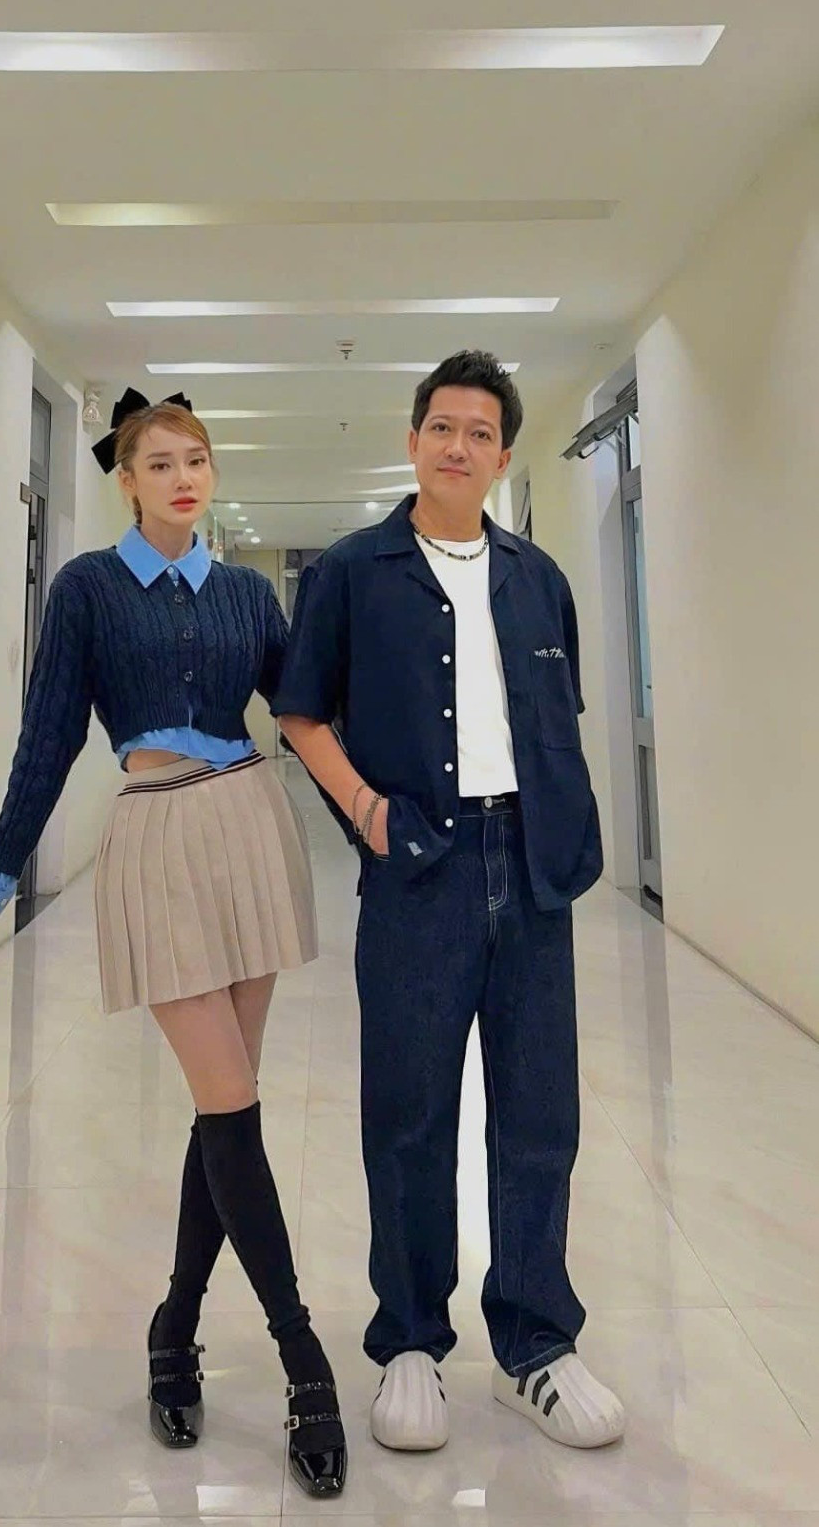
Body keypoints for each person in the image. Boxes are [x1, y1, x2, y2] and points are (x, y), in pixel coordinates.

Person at [0, 388, 347, 1497]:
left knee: (225, 1106)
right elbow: (49, 737)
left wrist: (379, 814)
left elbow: (306, 709)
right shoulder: (86, 590)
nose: (183, 477)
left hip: (252, 827)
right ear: (127, 480)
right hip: (156, 837)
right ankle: (304, 1358)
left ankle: (175, 1327)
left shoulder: (247, 592)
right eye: (160, 462)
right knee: (229, 1104)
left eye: (196, 459)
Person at [274, 351, 625, 1453]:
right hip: (419, 867)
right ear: (414, 439)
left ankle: (536, 1344)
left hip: (533, 867)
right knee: (410, 1114)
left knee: (539, 1115)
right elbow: (300, 712)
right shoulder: (353, 571)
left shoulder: (537, 576)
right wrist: (368, 813)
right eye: (441, 426)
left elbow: (558, 714)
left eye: (479, 432)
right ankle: (412, 1339)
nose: (458, 445)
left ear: (503, 456)